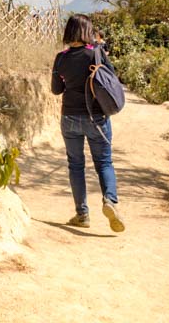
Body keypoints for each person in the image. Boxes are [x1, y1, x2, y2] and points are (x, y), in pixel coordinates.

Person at [51, 14, 125, 232]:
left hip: (69, 118)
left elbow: (56, 90)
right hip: (97, 118)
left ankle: (82, 215)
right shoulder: (96, 53)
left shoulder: (61, 58)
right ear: (87, 31)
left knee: (76, 165)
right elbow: (112, 79)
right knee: (104, 163)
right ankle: (109, 201)